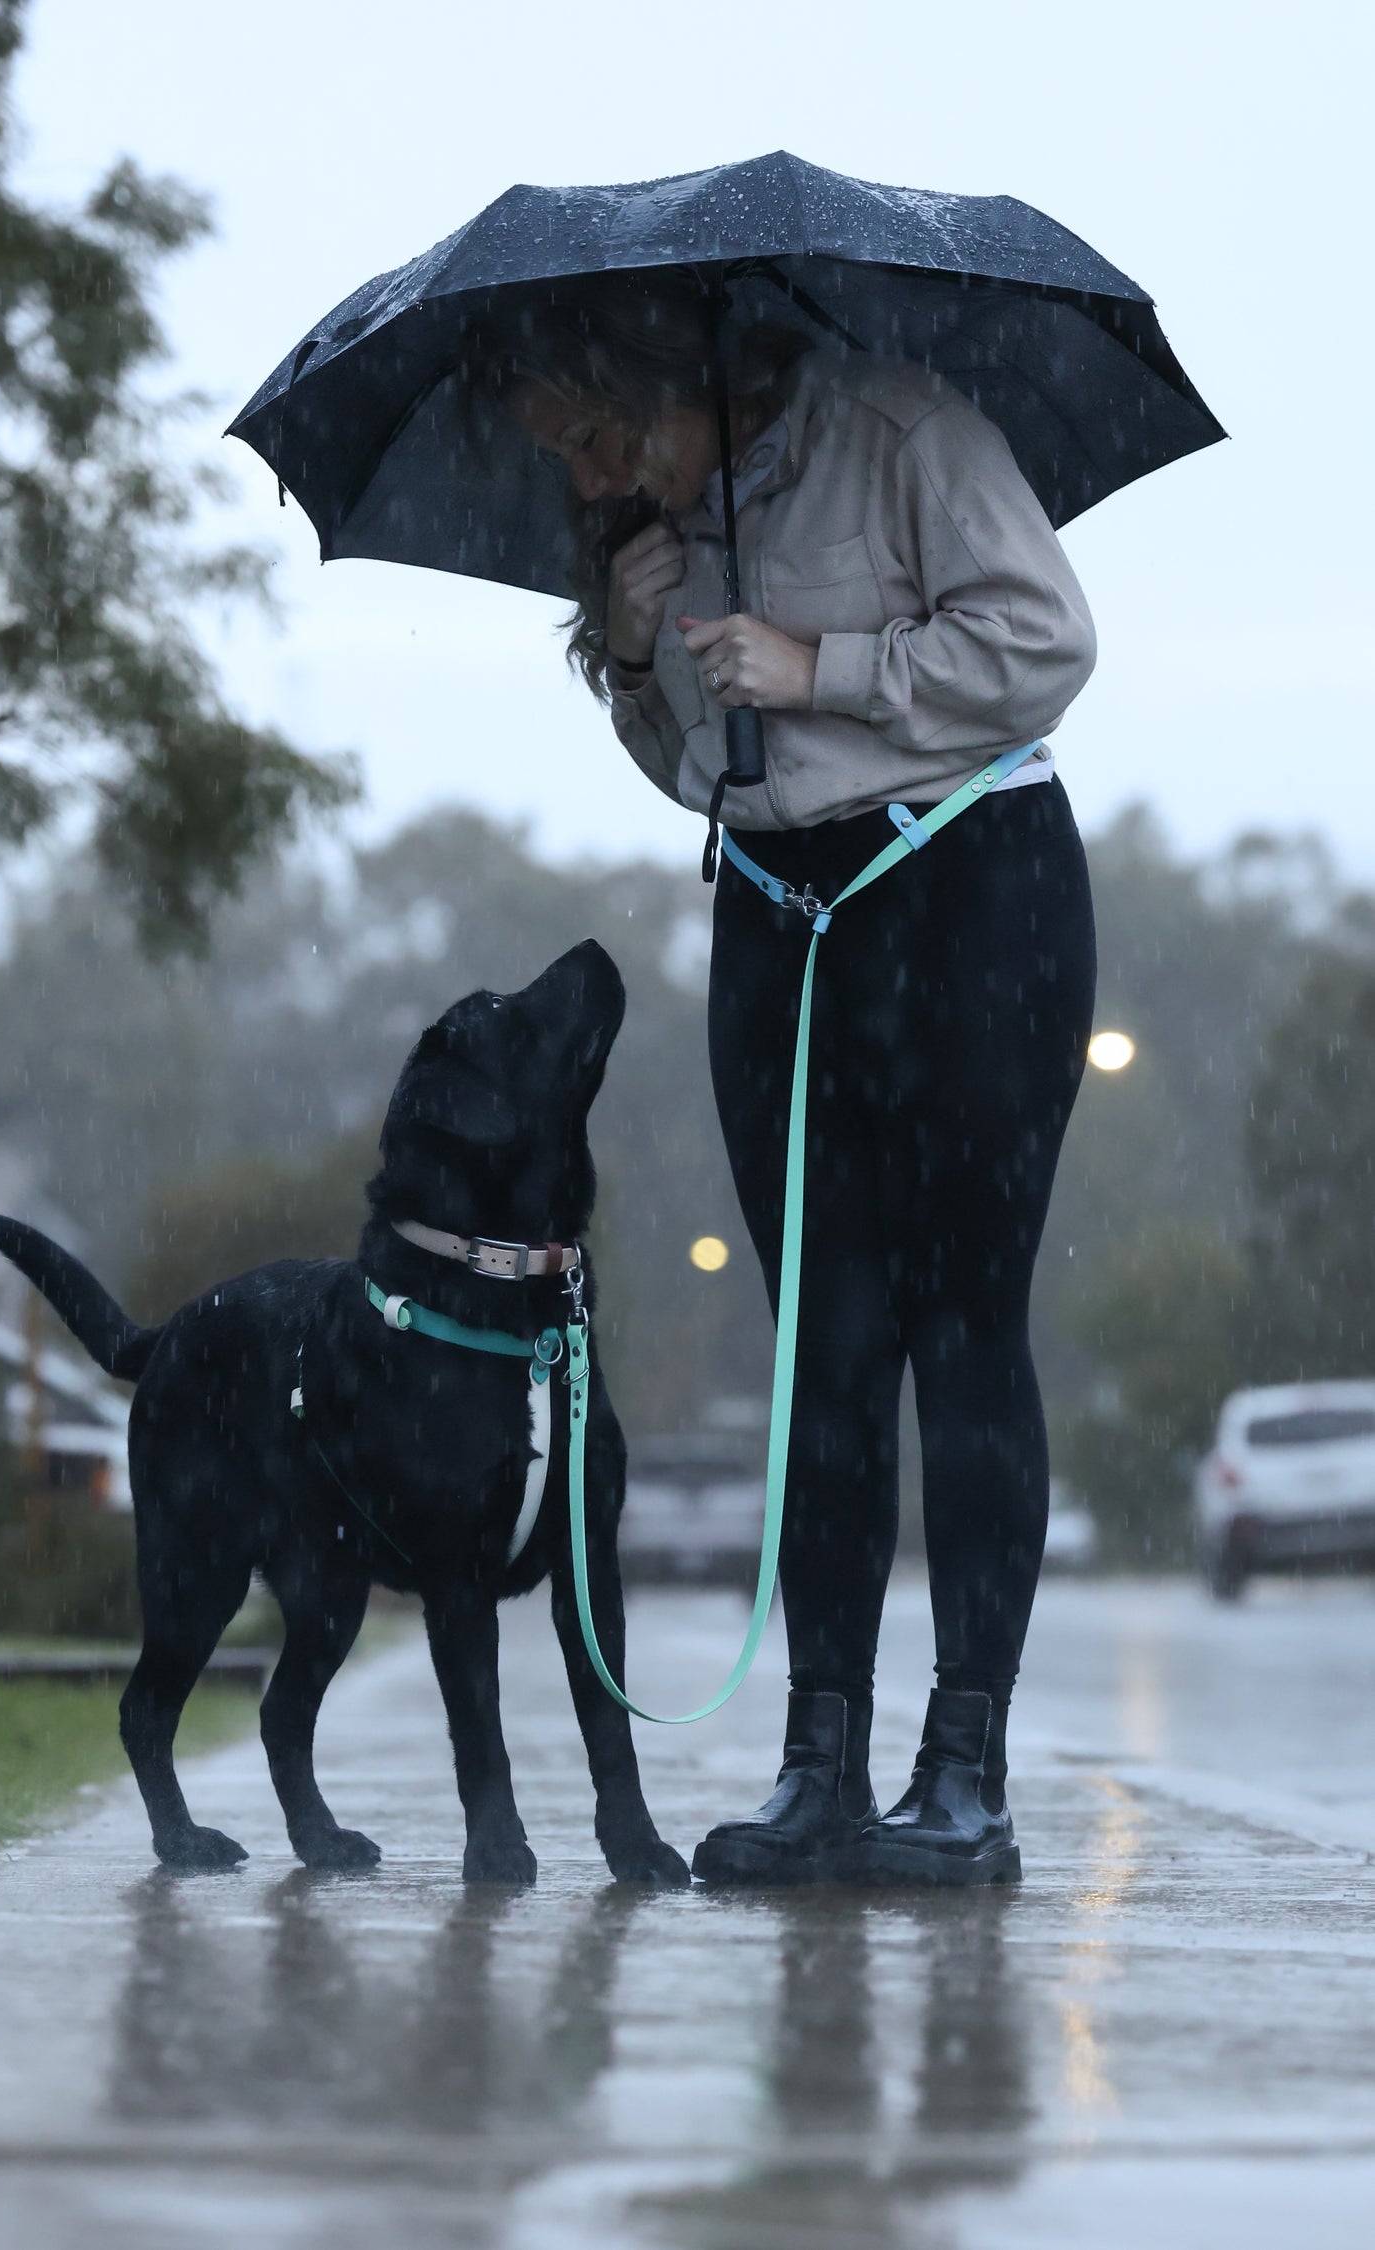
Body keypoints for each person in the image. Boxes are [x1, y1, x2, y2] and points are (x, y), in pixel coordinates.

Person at [472, 273, 1097, 1886]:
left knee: (961, 1330)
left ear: (691, 376)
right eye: (569, 456)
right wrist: (627, 656)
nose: (600, 478)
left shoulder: (904, 429)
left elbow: (1047, 640)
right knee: (826, 1337)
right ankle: (820, 1762)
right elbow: (693, 759)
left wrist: (818, 662)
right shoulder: (644, 525)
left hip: (970, 901)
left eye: (609, 436)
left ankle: (963, 1770)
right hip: (778, 922)